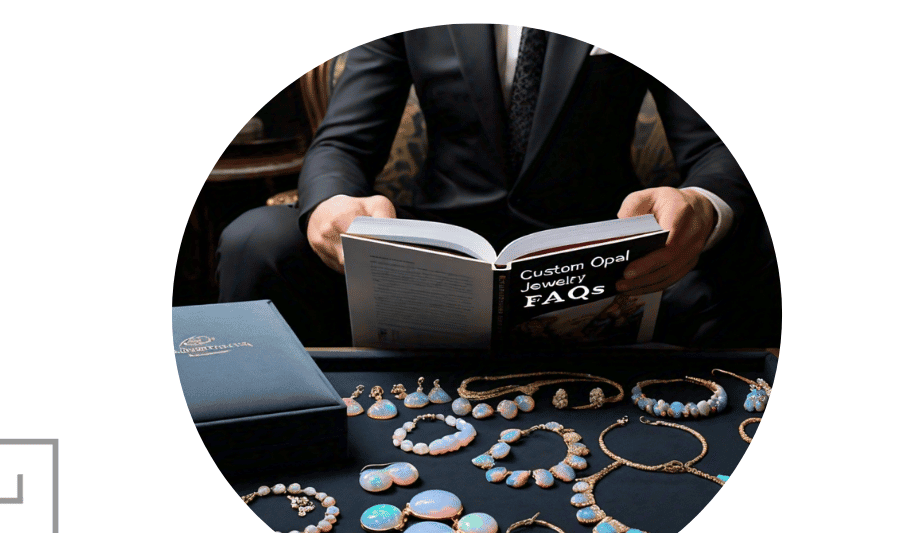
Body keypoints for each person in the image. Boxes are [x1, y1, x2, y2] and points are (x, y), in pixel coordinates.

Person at [218, 25, 780, 347]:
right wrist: (333, 204)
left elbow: (712, 147)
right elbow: (342, 143)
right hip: (434, 247)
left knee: (761, 245)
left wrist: (701, 209)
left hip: (605, 260)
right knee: (258, 240)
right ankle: (276, 429)